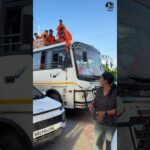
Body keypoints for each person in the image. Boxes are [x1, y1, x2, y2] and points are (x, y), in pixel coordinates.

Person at [88, 72, 117, 150]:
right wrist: (92, 104)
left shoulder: (115, 92)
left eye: (101, 78)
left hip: (111, 124)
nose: (99, 80)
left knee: (110, 146)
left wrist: (105, 113)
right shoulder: (100, 90)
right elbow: (96, 101)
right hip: (98, 122)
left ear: (106, 81)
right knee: (97, 144)